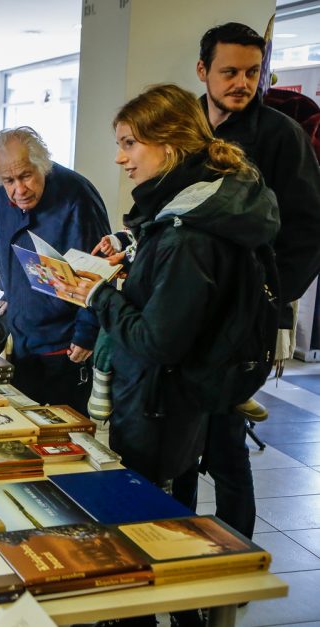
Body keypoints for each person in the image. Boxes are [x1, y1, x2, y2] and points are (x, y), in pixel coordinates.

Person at [61, 84, 279, 503]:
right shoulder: (196, 206)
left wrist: (97, 294)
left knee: (150, 513)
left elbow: (156, 340)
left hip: (160, 402)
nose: (120, 158)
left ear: (172, 144)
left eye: (130, 144)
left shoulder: (187, 236)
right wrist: (130, 250)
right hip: (180, 393)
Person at [168, 22, 320, 540]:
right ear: (202, 70)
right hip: (180, 303)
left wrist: (270, 298)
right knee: (179, 443)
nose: (242, 82)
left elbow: (309, 229)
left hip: (240, 318)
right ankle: (175, 552)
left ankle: (235, 559)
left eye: (252, 72)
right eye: (229, 71)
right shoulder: (180, 127)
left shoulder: (280, 134)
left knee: (227, 445)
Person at [0, 127, 110, 414]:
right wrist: (9, 291)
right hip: (22, 337)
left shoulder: (78, 195)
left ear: (43, 165)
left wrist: (87, 332)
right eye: (9, 180)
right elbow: (1, 242)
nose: (19, 190)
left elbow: (100, 269)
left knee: (65, 436)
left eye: (26, 176)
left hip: (65, 343)